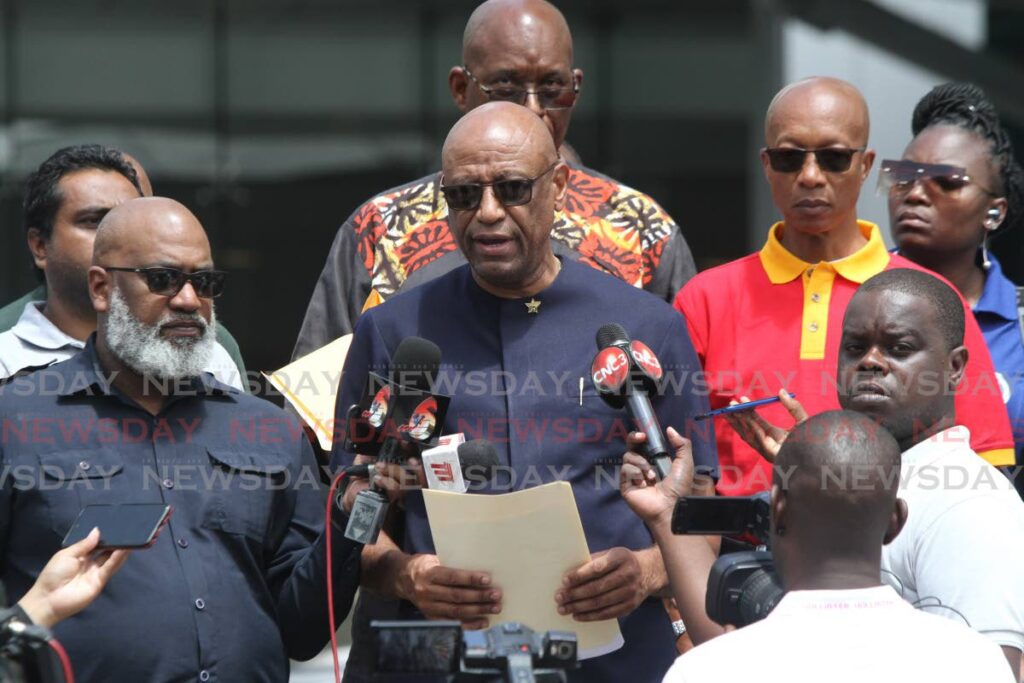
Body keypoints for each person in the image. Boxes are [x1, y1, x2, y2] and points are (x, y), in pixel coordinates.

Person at [330, 101, 716, 682]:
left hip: (611, 658)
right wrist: (406, 574)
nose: (486, 213)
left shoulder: (645, 325)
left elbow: (702, 500)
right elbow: (348, 506)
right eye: (463, 195)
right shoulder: (393, 331)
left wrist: (647, 570)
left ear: (558, 184)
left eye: (511, 188)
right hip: (444, 662)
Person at [0, 197, 366, 682]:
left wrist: (351, 512)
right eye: (162, 279)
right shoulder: (18, 419)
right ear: (101, 287)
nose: (189, 300)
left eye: (205, 282)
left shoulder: (268, 429)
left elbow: (302, 631)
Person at [293, 0, 697, 359]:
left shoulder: (642, 227)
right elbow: (320, 406)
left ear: (577, 86)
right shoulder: (380, 228)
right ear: (460, 87)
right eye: (507, 87)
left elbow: (684, 394)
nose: (534, 109)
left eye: (554, 88)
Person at [674, 76, 1014, 497]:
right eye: (789, 158)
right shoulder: (705, 300)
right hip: (735, 554)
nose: (811, 176)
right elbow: (683, 472)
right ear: (766, 165)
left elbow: (983, 472)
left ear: (866, 165)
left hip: (887, 554)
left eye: (834, 158)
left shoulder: (930, 298)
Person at [726, 268, 1024, 677]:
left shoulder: (970, 504)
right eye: (854, 347)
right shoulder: (855, 485)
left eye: (899, 348)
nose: (870, 362)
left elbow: (994, 671)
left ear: (954, 366)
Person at [620, 411, 1016, 682]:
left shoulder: (709, 671)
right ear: (895, 521)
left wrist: (666, 513)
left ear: (775, 510)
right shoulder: (974, 661)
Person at [0, 145, 247, 386]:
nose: (115, 235)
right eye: (93, 221)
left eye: (131, 220)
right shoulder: (7, 362)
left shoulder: (207, 352)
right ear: (40, 245)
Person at [885, 82, 1024, 498]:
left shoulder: (1017, 322)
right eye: (905, 176)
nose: (916, 193)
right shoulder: (849, 301)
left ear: (994, 211)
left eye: (945, 182)